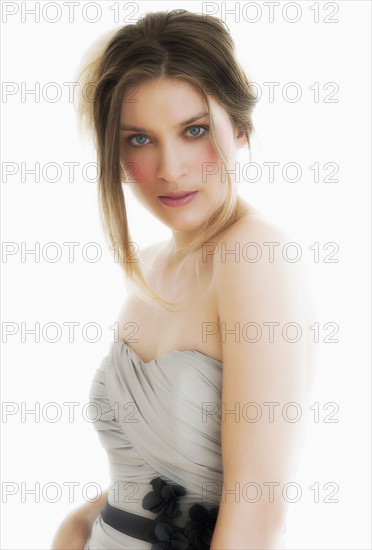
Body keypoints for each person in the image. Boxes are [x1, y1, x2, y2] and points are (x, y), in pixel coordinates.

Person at [51, 9, 315, 550]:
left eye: (193, 130)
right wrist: (75, 529)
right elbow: (136, 484)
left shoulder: (254, 254)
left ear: (239, 128)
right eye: (139, 139)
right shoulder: (149, 265)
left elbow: (258, 507)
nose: (171, 168)